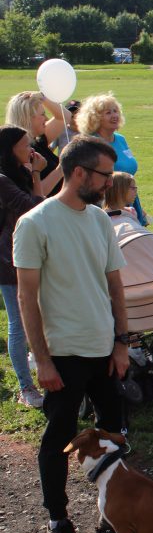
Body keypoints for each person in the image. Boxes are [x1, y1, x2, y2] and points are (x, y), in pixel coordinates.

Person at [13, 135, 129, 533]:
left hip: (104, 349)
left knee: (113, 430)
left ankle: (110, 510)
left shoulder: (100, 220)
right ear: (78, 173)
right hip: (63, 354)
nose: (108, 184)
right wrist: (42, 361)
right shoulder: (35, 223)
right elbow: (27, 297)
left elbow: (116, 286)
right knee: (59, 437)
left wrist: (121, 343)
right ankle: (58, 519)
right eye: (103, 176)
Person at [0, 125, 48, 408]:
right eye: (25, 144)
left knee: (37, 315)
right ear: (9, 149)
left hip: (25, 254)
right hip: (8, 259)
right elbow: (35, 209)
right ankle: (25, 387)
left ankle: (38, 368)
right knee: (19, 322)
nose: (31, 148)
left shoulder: (14, 173)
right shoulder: (3, 179)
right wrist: (36, 172)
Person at [74, 92, 149, 227]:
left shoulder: (121, 139)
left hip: (129, 200)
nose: (114, 115)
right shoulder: (91, 143)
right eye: (108, 112)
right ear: (95, 118)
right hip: (105, 206)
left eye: (116, 111)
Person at [5, 91, 68, 195]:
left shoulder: (39, 140)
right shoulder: (19, 151)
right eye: (42, 114)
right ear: (28, 118)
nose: (47, 118)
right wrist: (61, 170)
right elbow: (35, 193)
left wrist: (43, 97)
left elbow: (65, 116)